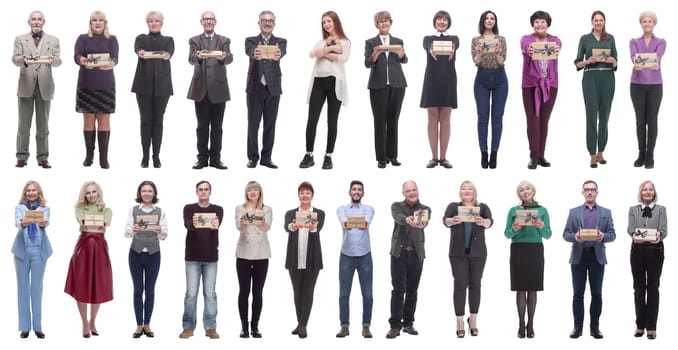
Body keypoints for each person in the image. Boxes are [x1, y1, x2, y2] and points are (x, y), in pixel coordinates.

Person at [563, 180, 616, 339]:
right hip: (579, 256)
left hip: (597, 256)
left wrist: (603, 236)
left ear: (597, 192)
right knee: (578, 294)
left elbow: (612, 235)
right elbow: (566, 234)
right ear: (582, 192)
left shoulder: (606, 212)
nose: (590, 192)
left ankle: (595, 328)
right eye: (587, 190)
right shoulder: (574, 212)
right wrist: (575, 237)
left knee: (597, 294)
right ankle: (577, 328)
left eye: (593, 190)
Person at [298, 11, 350, 170]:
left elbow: (343, 58)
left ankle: (328, 156)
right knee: (312, 119)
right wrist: (331, 50)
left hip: (335, 82)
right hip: (318, 82)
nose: (326, 24)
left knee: (332, 120)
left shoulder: (345, 41)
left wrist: (324, 52)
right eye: (324, 22)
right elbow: (312, 54)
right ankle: (309, 154)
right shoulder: (320, 41)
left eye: (329, 21)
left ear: (335, 22)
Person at [443, 180, 493, 337]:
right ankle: (459, 321)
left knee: (475, 285)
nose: (467, 190)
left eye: (470, 188)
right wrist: (453, 220)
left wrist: (484, 222)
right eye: (463, 188)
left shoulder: (482, 207)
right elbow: (445, 220)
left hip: (478, 253)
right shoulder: (453, 207)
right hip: (458, 254)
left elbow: (490, 222)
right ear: (460, 192)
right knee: (459, 285)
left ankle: (473, 320)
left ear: (474, 192)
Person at [64, 181, 113, 338]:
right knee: (82, 285)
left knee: (98, 284)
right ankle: (84, 322)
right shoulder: (80, 209)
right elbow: (79, 217)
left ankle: (93, 321)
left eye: (94, 192)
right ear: (84, 195)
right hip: (84, 248)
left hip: (99, 248)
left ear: (98, 193)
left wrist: (104, 223)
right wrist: (82, 221)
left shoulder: (106, 210)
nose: (91, 195)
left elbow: (107, 221)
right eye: (88, 192)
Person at [13, 11, 61, 169]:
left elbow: (58, 61)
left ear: (44, 22)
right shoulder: (20, 39)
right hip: (26, 86)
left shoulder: (53, 40)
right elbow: (15, 58)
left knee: (43, 126)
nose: (36, 22)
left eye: (39, 19)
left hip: (45, 87)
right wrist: (23, 60)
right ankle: (21, 156)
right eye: (33, 19)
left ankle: (43, 157)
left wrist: (51, 61)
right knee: (23, 126)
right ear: (29, 22)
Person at [504, 180, 551, 338]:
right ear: (519, 194)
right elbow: (507, 234)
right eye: (522, 190)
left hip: (535, 250)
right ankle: (520, 325)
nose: (525, 191)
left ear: (533, 191)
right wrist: (514, 229)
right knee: (520, 288)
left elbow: (548, 235)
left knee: (533, 288)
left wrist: (541, 227)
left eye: (528, 188)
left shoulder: (542, 210)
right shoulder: (513, 210)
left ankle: (530, 324)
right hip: (518, 249)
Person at [188, 11, 233, 170]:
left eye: (211, 19)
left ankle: (215, 159)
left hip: (219, 89)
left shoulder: (224, 40)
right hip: (200, 89)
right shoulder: (194, 40)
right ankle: (201, 159)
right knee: (201, 126)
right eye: (205, 19)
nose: (208, 22)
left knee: (217, 127)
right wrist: (198, 56)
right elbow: (191, 58)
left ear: (215, 22)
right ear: (201, 22)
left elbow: (229, 57)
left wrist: (223, 57)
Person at [179, 180, 224, 339]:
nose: (203, 192)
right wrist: (194, 222)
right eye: (201, 189)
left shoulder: (218, 209)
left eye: (206, 189)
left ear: (210, 192)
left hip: (211, 257)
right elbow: (188, 225)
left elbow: (216, 227)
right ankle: (188, 327)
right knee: (191, 293)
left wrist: (215, 225)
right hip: (192, 256)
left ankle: (211, 327)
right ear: (196, 192)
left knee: (210, 293)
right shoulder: (189, 208)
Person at [75, 11, 119, 169]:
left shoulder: (112, 39)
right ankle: (89, 155)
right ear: (90, 22)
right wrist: (82, 60)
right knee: (88, 119)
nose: (97, 23)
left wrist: (111, 64)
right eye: (94, 20)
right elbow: (77, 56)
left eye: (100, 20)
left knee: (104, 120)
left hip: (106, 84)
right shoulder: (82, 38)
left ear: (105, 22)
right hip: (86, 83)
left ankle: (104, 158)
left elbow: (115, 58)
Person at [386, 181, 430, 339]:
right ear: (403, 193)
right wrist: (407, 220)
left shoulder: (424, 209)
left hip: (416, 255)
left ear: (418, 191)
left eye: (414, 190)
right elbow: (398, 217)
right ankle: (395, 326)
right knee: (398, 290)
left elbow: (425, 220)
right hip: (399, 253)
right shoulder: (396, 206)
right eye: (408, 191)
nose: (412, 193)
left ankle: (408, 323)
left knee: (412, 291)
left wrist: (423, 223)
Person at [574, 10, 618, 168]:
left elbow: (616, 62)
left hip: (608, 77)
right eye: (596, 20)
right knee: (591, 115)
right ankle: (592, 153)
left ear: (604, 22)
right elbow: (578, 62)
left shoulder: (610, 38)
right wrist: (588, 61)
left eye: (601, 20)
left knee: (605, 115)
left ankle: (601, 151)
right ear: (592, 22)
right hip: (590, 77)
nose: (598, 22)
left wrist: (613, 60)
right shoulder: (585, 39)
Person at [124, 181, 168, 338]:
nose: (147, 193)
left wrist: (160, 231)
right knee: (137, 290)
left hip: (153, 254)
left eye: (150, 191)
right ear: (139, 193)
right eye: (144, 191)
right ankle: (138, 325)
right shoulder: (133, 210)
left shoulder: (160, 211)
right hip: (135, 253)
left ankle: (147, 324)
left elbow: (164, 236)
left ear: (154, 193)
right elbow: (126, 232)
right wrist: (132, 230)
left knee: (150, 290)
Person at [365, 10, 407, 169]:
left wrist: (401, 53)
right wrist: (375, 54)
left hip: (397, 84)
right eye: (380, 21)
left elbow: (405, 60)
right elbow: (368, 63)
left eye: (386, 20)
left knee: (393, 121)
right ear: (377, 24)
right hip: (378, 85)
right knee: (379, 122)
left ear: (390, 22)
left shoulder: (398, 40)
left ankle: (393, 156)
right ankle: (381, 158)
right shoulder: (370, 42)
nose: (383, 23)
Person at [131, 11, 174, 168]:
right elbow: (138, 49)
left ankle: (156, 156)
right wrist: (140, 52)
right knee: (145, 121)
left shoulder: (168, 40)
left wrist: (167, 55)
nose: (153, 23)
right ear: (147, 23)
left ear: (162, 23)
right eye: (150, 21)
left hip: (162, 87)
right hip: (143, 86)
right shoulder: (141, 38)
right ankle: (145, 156)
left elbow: (169, 53)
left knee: (158, 121)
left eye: (156, 21)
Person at [245, 11, 286, 169]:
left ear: (274, 24)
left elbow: (281, 52)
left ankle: (266, 158)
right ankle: (253, 157)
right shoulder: (251, 40)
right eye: (264, 20)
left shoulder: (281, 41)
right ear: (259, 23)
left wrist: (278, 53)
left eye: (270, 21)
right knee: (253, 124)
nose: (267, 23)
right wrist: (254, 53)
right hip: (255, 87)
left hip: (273, 88)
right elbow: (249, 51)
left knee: (270, 124)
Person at [284, 182, 325, 338]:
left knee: (308, 291)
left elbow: (317, 230)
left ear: (312, 195)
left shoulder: (319, 213)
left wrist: (312, 227)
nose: (305, 195)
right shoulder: (291, 212)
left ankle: (303, 325)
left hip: (312, 258)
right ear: (298, 195)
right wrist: (293, 225)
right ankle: (300, 322)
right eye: (302, 193)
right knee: (297, 291)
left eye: (308, 192)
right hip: (295, 258)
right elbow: (286, 226)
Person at [13, 180, 52, 339]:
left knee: (37, 289)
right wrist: (24, 222)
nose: (31, 193)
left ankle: (37, 326)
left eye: (34, 190)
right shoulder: (19, 208)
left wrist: (42, 223)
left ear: (38, 192)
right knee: (23, 289)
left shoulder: (45, 208)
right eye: (28, 190)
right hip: (22, 251)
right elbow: (17, 223)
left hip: (38, 250)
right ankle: (24, 327)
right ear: (25, 193)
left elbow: (46, 223)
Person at [521, 11, 560, 169]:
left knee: (544, 121)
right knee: (532, 121)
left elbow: (558, 47)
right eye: (536, 22)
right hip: (530, 86)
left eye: (542, 22)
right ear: (533, 24)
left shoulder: (554, 40)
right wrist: (529, 49)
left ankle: (542, 155)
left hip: (550, 85)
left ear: (548, 24)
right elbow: (525, 47)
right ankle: (534, 156)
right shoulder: (526, 39)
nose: (539, 25)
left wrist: (556, 50)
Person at [335, 180, 375, 338]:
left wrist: (355, 223)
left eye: (359, 190)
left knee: (368, 294)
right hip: (346, 255)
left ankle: (366, 326)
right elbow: (345, 223)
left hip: (365, 255)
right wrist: (353, 223)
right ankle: (344, 326)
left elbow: (366, 224)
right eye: (354, 189)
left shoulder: (369, 209)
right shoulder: (341, 209)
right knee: (344, 294)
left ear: (363, 193)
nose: (357, 192)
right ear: (349, 192)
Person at [627, 180, 666, 339]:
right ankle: (639, 325)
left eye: (650, 190)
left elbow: (663, 229)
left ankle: (651, 327)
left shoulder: (661, 210)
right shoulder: (633, 210)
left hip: (655, 250)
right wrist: (634, 235)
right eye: (645, 190)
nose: (648, 192)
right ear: (641, 193)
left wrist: (659, 235)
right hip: (637, 250)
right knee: (638, 287)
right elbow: (630, 229)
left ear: (654, 192)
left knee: (653, 287)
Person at [234, 181, 272, 338]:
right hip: (243, 253)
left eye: (255, 189)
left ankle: (255, 326)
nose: (252, 192)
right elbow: (238, 227)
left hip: (261, 254)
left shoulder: (267, 209)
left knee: (258, 292)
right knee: (244, 291)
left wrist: (262, 224)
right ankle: (244, 326)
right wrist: (242, 223)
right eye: (249, 190)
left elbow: (267, 227)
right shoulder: (240, 208)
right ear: (246, 193)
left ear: (260, 192)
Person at [420, 10, 458, 169]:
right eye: (439, 19)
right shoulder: (428, 38)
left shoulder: (454, 38)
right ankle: (433, 157)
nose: (442, 22)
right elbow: (428, 46)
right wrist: (431, 50)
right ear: (434, 22)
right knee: (432, 119)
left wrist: (452, 50)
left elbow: (455, 46)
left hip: (448, 80)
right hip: (432, 80)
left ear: (448, 22)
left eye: (445, 20)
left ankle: (444, 157)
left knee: (446, 119)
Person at [472, 10, 508, 169]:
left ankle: (494, 153)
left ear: (495, 22)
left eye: (492, 18)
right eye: (486, 18)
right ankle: (483, 153)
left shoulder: (501, 40)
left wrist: (498, 52)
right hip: (482, 78)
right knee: (482, 117)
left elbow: (501, 61)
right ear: (482, 21)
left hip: (500, 77)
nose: (489, 20)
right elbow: (475, 61)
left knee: (498, 117)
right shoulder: (476, 40)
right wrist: (480, 53)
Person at [630, 11, 665, 169]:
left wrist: (645, 60)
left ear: (654, 23)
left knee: (652, 120)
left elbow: (656, 57)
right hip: (636, 84)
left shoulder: (661, 42)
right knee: (640, 121)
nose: (647, 24)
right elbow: (634, 58)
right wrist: (646, 60)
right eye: (644, 21)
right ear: (641, 23)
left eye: (650, 21)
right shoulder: (634, 41)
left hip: (655, 85)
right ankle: (641, 154)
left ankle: (650, 155)